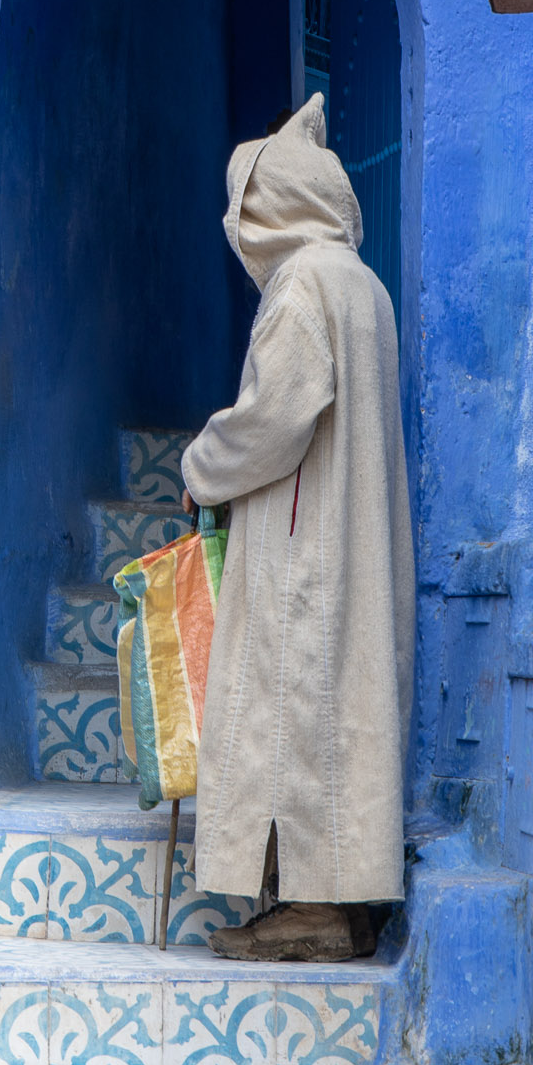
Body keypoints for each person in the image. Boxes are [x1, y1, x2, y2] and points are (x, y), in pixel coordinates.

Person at [180, 94, 413, 963]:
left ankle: (307, 911)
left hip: (300, 544)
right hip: (350, 539)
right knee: (337, 715)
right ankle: (343, 902)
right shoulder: (363, 285)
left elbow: (274, 420)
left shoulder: (301, 287)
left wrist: (200, 465)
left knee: (285, 713)